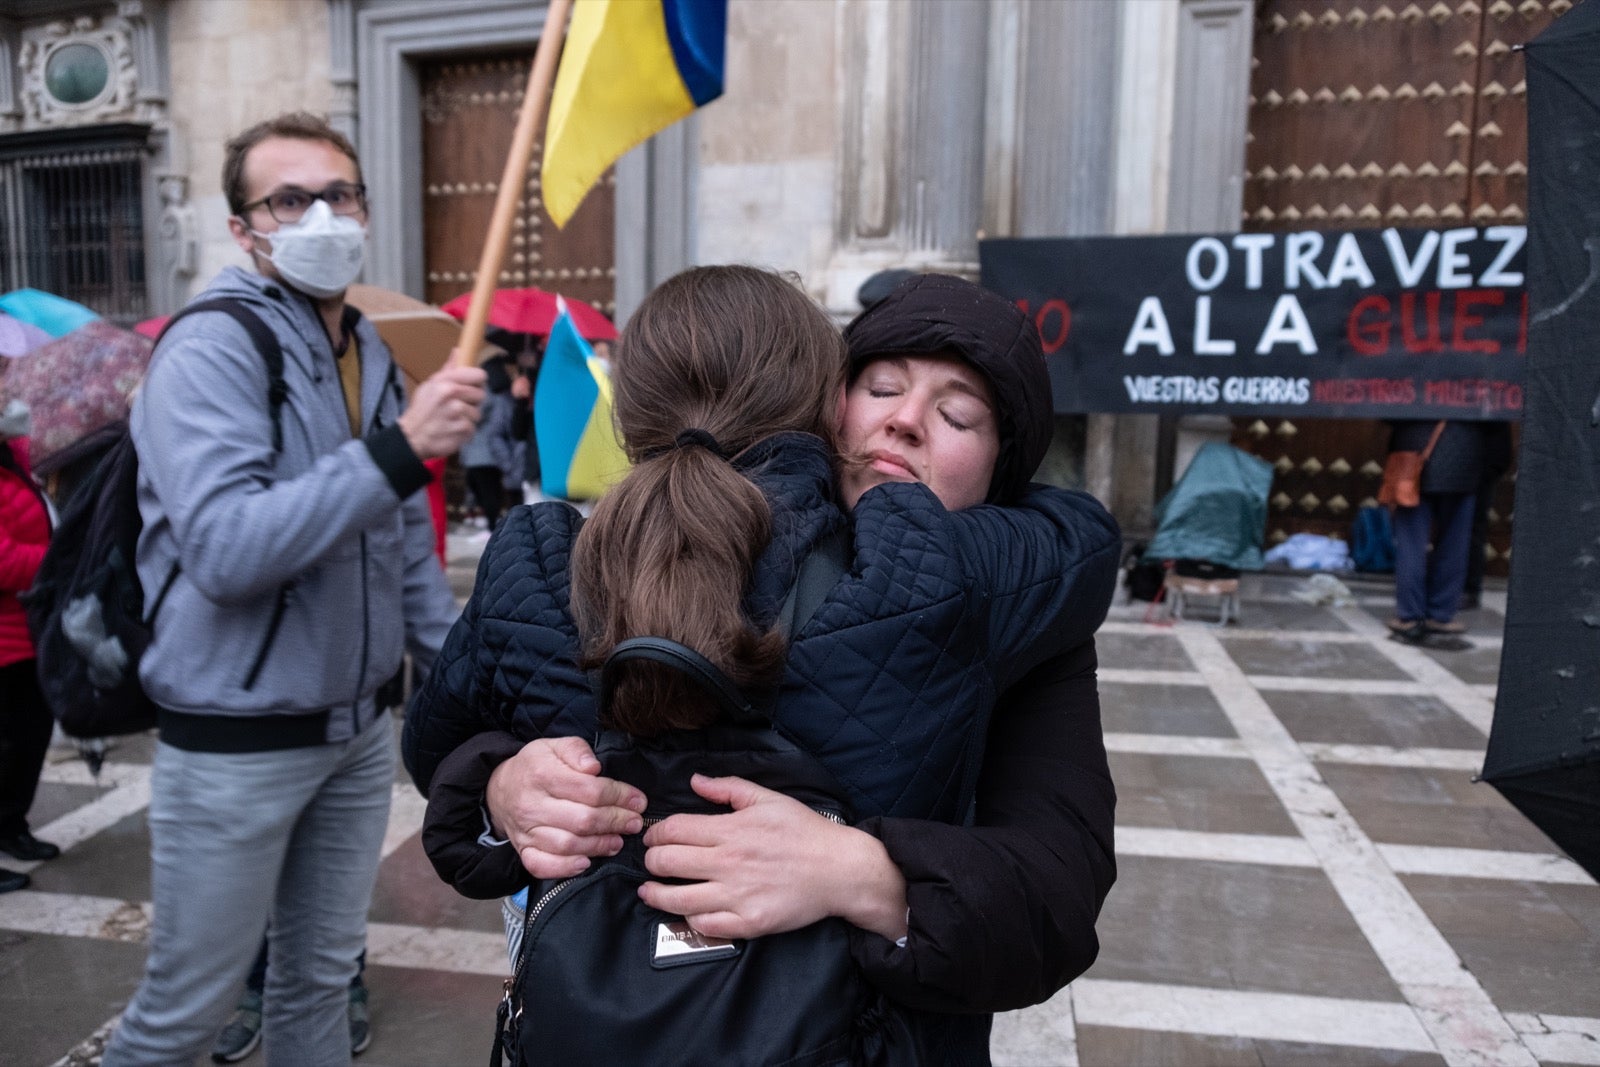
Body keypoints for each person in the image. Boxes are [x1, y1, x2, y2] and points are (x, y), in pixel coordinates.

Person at [404, 269, 1120, 1061]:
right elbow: (451, 747)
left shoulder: (1010, 611)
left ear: (1003, 471)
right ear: (823, 402)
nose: (907, 421)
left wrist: (866, 874)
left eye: (959, 415)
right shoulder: (623, 554)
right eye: (880, 387)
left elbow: (1058, 900)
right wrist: (505, 785)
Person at [101, 111, 483, 1067]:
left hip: (355, 734)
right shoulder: (212, 347)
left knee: (317, 988)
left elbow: (400, 544)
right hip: (236, 740)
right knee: (184, 1015)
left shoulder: (370, 347)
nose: (321, 214)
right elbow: (227, 550)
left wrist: (464, 678)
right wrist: (398, 451)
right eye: (290, 198)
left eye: (339, 194)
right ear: (245, 227)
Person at [0, 397, 60, 892]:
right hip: (5, 635)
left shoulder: (16, 458)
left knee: (29, 735)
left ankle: (11, 825)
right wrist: (56, 560)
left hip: (27, 630)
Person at [1386, 419, 1489, 641]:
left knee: (1411, 543)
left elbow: (1389, 412)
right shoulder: (1479, 386)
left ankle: (1409, 615)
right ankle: (1441, 614)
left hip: (1414, 457)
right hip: (1464, 462)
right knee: (1455, 544)